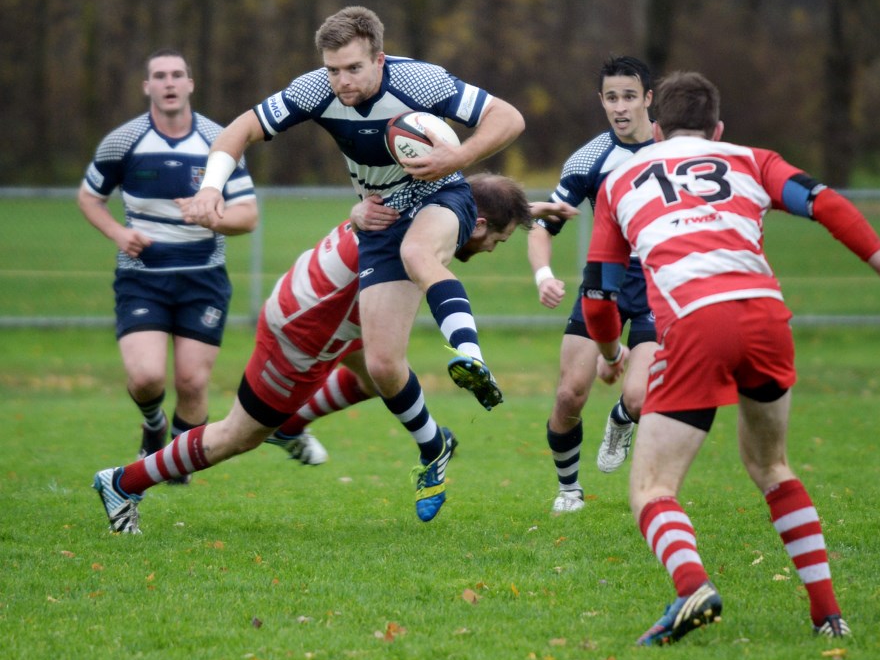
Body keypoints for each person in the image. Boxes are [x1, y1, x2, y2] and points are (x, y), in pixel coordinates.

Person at [582, 71, 880, 645]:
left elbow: (599, 295)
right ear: (718, 129)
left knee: (652, 488)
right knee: (772, 466)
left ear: (658, 129)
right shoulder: (750, 159)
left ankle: (692, 585)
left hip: (698, 322)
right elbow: (827, 204)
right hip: (767, 317)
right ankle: (828, 616)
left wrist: (610, 352)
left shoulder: (623, 181)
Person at [181, 6, 525, 521]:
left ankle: (469, 354)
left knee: (419, 254)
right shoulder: (315, 89)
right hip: (378, 219)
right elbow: (238, 130)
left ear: (379, 59)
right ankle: (434, 448)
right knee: (384, 365)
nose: (341, 80)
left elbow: (509, 118)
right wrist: (211, 188)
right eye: (332, 69)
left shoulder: (420, 81)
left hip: (438, 195)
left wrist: (457, 158)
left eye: (353, 69)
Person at [94, 174, 573, 533]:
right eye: (498, 240)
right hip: (304, 335)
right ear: (480, 223)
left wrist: (531, 208)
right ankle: (123, 483)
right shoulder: (417, 250)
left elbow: (478, 202)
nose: (492, 249)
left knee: (372, 376)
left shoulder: (422, 203)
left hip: (323, 313)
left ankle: (297, 426)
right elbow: (390, 362)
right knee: (235, 436)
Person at [77, 49, 259, 483]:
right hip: (142, 280)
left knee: (193, 383)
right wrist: (119, 235)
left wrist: (210, 216)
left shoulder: (220, 140)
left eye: (178, 75)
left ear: (191, 84)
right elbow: (89, 197)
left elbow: (248, 216)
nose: (169, 83)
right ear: (147, 87)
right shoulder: (124, 141)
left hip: (203, 280)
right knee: (146, 378)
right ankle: (153, 423)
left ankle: (175, 465)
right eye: (159, 76)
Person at [527, 56, 659, 513]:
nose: (620, 107)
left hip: (660, 283)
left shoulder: (677, 149)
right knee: (569, 394)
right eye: (611, 97)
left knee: (640, 399)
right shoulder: (590, 158)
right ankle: (568, 489)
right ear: (600, 101)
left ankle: (622, 418)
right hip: (604, 278)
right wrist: (544, 275)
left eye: (629, 96)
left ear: (648, 98)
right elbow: (542, 226)